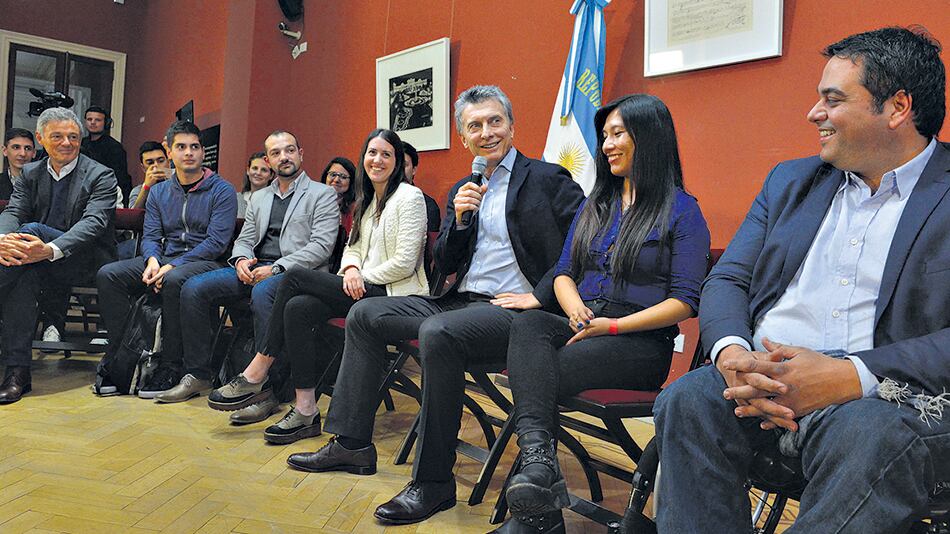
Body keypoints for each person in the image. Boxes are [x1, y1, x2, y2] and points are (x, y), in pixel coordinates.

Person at [653, 27, 950, 533]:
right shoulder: (790, 182)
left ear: (898, 107)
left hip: (888, 399)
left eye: (833, 101)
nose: (814, 115)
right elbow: (727, 279)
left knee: (871, 433)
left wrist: (853, 374)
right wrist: (731, 354)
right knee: (688, 398)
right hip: (761, 381)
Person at [283, 85, 585, 526]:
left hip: (516, 312)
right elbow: (443, 261)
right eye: (474, 126)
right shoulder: (466, 187)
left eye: (495, 121)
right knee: (365, 314)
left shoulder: (547, 179)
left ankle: (433, 482)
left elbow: (582, 244)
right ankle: (351, 443)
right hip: (458, 300)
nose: (487, 132)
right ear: (463, 137)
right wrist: (461, 222)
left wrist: (540, 296)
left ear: (512, 126)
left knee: (439, 334)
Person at [494, 94, 710, 532]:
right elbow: (564, 271)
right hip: (585, 324)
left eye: (617, 134)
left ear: (648, 138)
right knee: (531, 322)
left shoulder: (683, 210)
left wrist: (610, 326)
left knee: (539, 371)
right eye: (604, 136)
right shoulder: (597, 204)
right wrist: (575, 310)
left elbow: (685, 302)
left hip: (638, 344)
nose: (607, 145)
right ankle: (540, 469)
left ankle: (537, 507)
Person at [207, 128, 429, 444]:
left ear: (397, 161)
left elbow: (405, 262)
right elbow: (352, 248)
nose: (377, 160)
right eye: (371, 153)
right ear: (363, 158)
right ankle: (306, 409)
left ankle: (258, 369)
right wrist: (351, 268)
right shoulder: (367, 201)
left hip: (397, 294)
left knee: (294, 277)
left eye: (386, 154)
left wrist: (359, 277)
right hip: (362, 288)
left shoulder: (409, 197)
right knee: (297, 308)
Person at [170, 131, 338, 408]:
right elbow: (246, 239)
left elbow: (321, 247)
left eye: (289, 150)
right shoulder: (259, 198)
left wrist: (277, 268)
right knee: (194, 288)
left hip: (295, 275)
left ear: (301, 153)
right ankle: (198, 372)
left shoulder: (322, 194)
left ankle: (266, 387)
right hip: (256, 268)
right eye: (275, 153)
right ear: (268, 160)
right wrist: (241, 260)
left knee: (263, 293)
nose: (283, 157)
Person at [96, 120, 237, 399]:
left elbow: (217, 243)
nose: (188, 153)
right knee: (109, 274)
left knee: (174, 279)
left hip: (207, 261)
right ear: (169, 151)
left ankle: (170, 365)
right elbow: (151, 235)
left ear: (202, 151)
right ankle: (122, 353)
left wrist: (172, 265)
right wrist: (151, 261)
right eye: (181, 147)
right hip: (165, 258)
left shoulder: (222, 190)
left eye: (194, 147)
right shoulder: (159, 191)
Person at [0, 107, 117, 404]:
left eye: (73, 137)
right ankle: (18, 373)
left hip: (83, 261)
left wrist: (48, 249)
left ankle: (17, 371)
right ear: (41, 138)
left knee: (30, 232)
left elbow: (94, 224)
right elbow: (13, 211)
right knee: (22, 266)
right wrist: (2, 240)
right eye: (57, 136)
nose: (67, 143)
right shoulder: (31, 173)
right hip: (33, 262)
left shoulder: (100, 174)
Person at [81, 106, 131, 204]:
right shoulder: (80, 143)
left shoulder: (114, 147)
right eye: (89, 119)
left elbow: (120, 178)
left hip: (105, 194)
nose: (93, 122)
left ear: (106, 123)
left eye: (97, 120)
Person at [402, 141, 442, 233]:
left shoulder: (428, 206)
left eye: (404, 165)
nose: (399, 170)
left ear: (414, 170)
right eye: (395, 164)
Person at [128, 141, 171, 210]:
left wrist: (169, 176)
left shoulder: (181, 182)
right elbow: (134, 217)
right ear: (143, 168)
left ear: (168, 162)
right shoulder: (138, 191)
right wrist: (146, 187)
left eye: (161, 161)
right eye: (150, 163)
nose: (156, 165)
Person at [320, 156, 357, 232]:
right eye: (333, 174)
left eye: (343, 177)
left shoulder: (355, 209)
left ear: (351, 182)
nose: (336, 180)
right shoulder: (313, 202)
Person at [0, 128, 35, 201]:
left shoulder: (45, 184)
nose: (23, 154)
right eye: (16, 147)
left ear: (34, 153)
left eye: (28, 148)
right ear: (5, 151)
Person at [236, 151, 274, 216]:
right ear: (248, 170)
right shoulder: (235, 199)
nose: (258, 173)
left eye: (264, 170)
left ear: (271, 175)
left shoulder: (274, 202)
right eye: (255, 168)